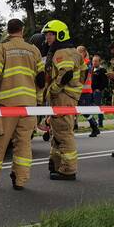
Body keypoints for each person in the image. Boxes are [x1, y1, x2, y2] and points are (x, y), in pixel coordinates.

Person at [0, 19, 45, 190]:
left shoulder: (1, 48)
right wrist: (39, 100)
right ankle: (20, 180)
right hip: (29, 107)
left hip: (7, 106)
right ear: (22, 30)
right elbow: (41, 80)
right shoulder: (34, 50)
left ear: (8, 30)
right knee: (24, 144)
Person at [42, 19, 80, 181]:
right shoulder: (72, 51)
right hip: (66, 97)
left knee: (64, 133)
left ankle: (68, 169)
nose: (47, 38)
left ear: (61, 35)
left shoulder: (61, 52)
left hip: (62, 97)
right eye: (47, 35)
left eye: (51, 34)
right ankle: (57, 164)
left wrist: (53, 90)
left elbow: (66, 73)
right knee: (57, 132)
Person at [75, 46, 101, 137]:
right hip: (81, 91)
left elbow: (84, 78)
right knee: (79, 110)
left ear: (84, 53)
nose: (77, 55)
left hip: (85, 91)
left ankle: (95, 127)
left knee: (85, 111)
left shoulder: (86, 63)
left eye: (79, 53)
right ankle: (93, 126)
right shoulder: (84, 63)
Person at [91, 55, 108, 129]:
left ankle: (100, 123)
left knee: (98, 107)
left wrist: (100, 89)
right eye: (93, 61)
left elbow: (105, 82)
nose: (94, 62)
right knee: (90, 107)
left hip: (98, 91)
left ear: (99, 62)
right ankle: (93, 123)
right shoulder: (91, 70)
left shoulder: (102, 70)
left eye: (96, 61)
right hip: (90, 91)